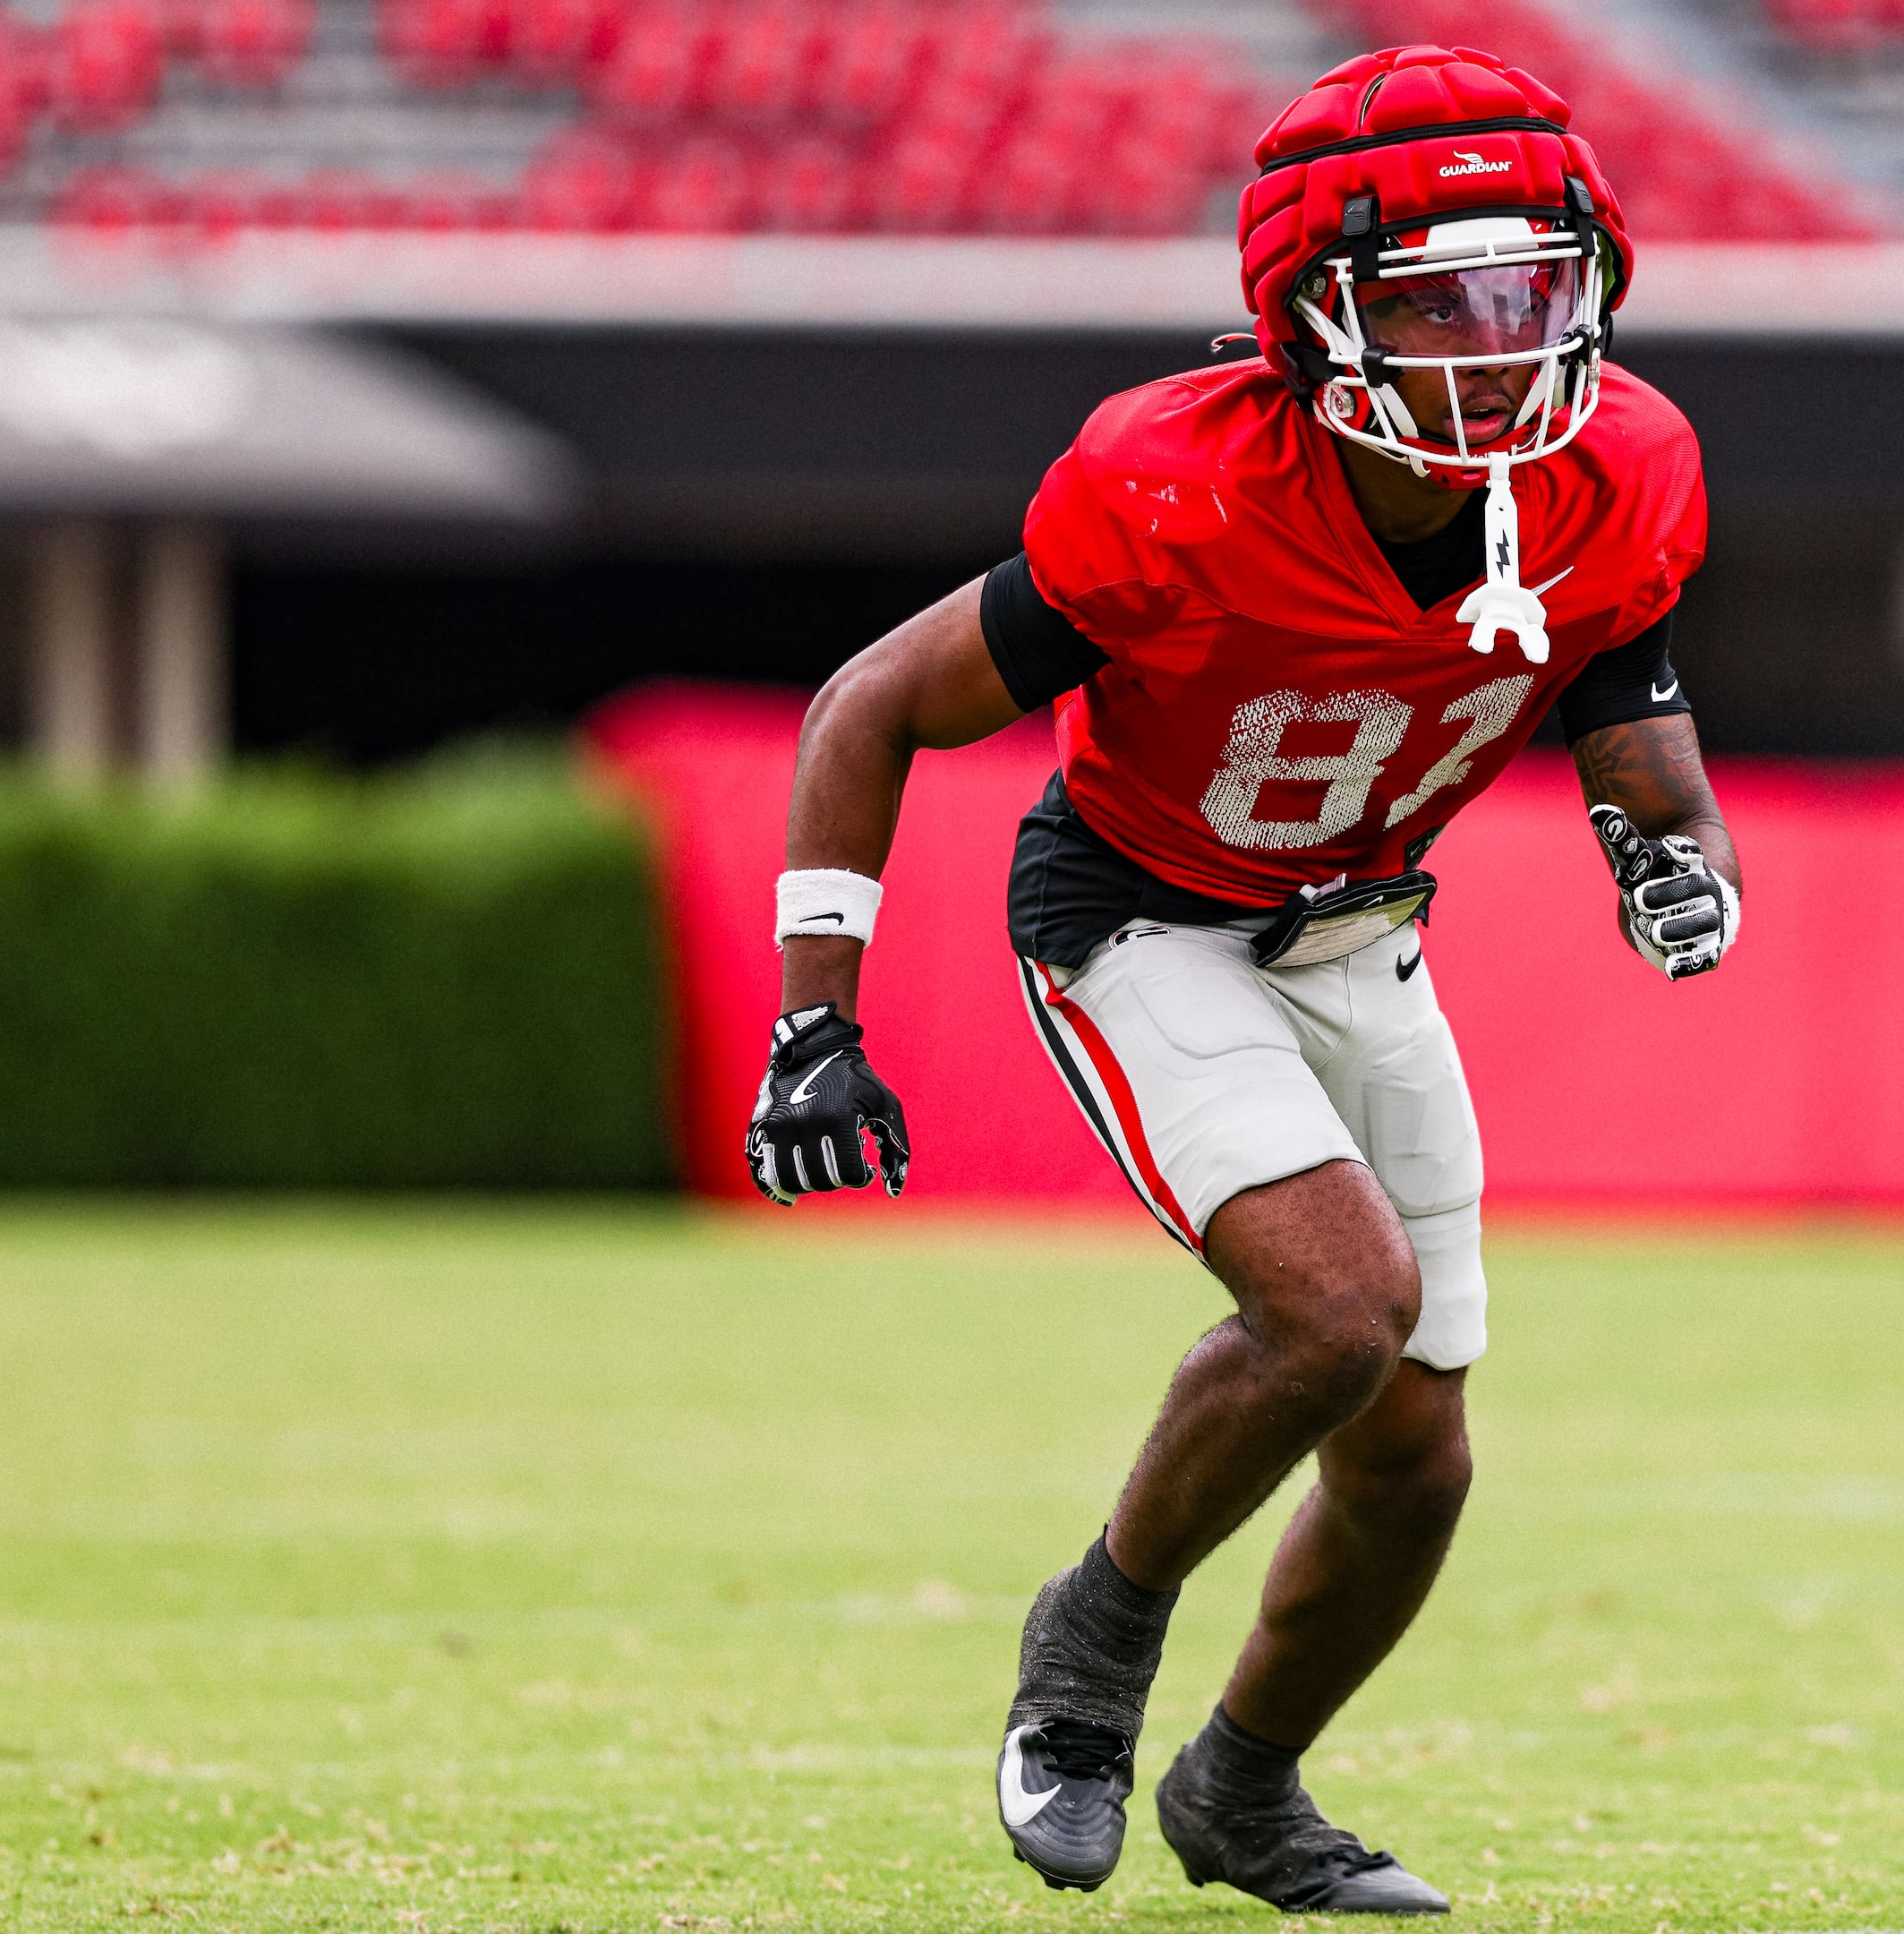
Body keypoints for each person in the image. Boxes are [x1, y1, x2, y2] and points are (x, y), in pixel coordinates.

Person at [743, 45, 1742, 1915]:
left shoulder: (1624, 473)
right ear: (1312, 324)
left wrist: (1669, 851)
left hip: (1368, 927)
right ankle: (1090, 1654)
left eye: (1530, 290)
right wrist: (818, 1015)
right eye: (1438, 301)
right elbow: (873, 700)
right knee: (1341, 1307)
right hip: (1142, 916)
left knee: (1418, 1462)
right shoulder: (1176, 486)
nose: (1497, 342)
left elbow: (1621, 685)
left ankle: (1243, 1791)